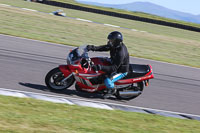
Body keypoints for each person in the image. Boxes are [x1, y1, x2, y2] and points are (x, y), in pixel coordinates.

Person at [87, 31, 129, 98]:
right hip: (113, 62)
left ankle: (112, 90)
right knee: (99, 61)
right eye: (109, 40)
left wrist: (100, 67)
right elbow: (105, 47)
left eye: (111, 40)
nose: (109, 41)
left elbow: (114, 68)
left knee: (107, 80)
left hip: (120, 70)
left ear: (116, 41)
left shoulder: (120, 53)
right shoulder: (115, 46)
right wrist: (93, 48)